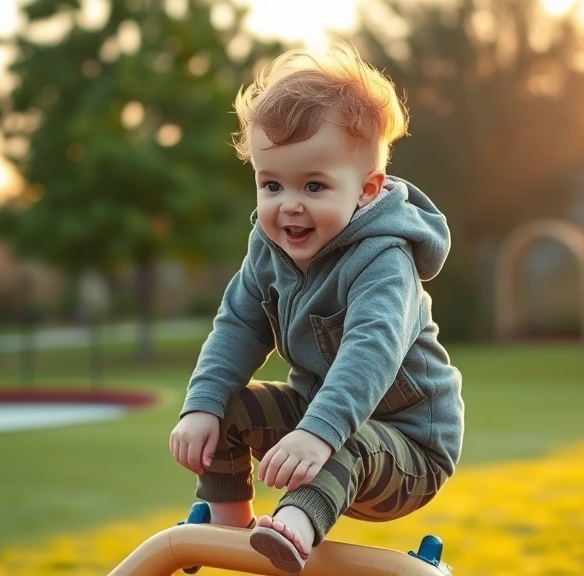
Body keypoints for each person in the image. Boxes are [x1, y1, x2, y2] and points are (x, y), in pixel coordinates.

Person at [168, 43, 464, 574]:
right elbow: (237, 321)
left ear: (367, 191)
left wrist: (318, 431)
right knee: (227, 406)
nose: (289, 205)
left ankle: (293, 529)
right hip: (317, 425)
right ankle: (227, 528)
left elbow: (369, 351)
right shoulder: (269, 246)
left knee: (348, 441)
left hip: (408, 449)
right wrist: (202, 403)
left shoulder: (383, 258)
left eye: (315, 185)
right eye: (272, 184)